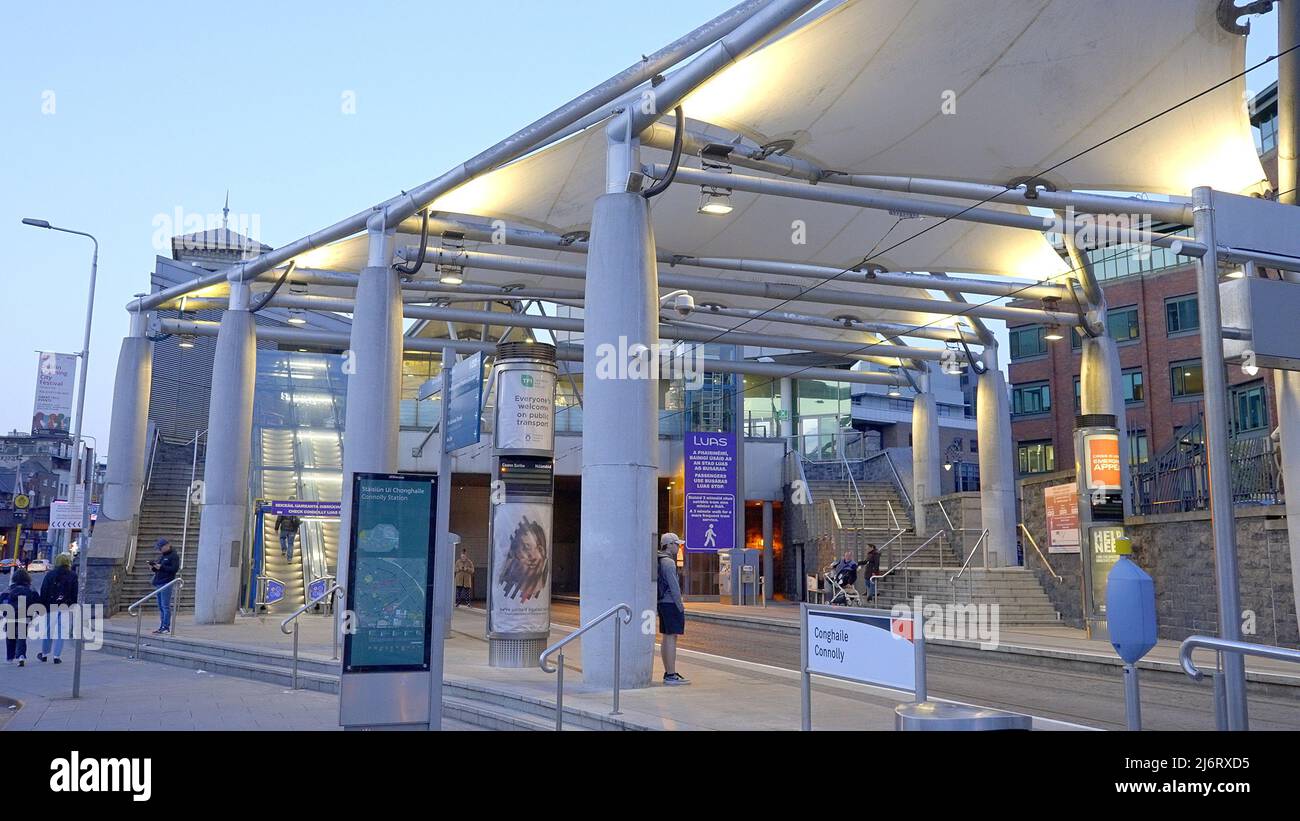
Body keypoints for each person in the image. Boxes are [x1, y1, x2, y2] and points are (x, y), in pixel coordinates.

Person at [656, 533, 689, 685]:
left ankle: (669, 672)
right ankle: (670, 674)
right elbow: (674, 587)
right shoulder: (668, 563)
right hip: (670, 603)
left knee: (666, 636)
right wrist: (680, 606)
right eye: (676, 544)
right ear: (669, 545)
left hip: (662, 603)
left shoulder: (659, 559)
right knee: (671, 637)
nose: (678, 547)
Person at [37, 553, 77, 663]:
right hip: (65, 606)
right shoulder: (73, 576)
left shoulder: (50, 575)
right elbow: (74, 594)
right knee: (61, 632)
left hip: (51, 606)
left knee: (49, 631)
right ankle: (56, 656)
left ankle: (44, 654)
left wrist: (42, 606)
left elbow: (44, 591)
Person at [1, 569, 40, 666]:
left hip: (11, 614)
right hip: (25, 615)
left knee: (10, 636)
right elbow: (36, 601)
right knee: (21, 636)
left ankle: (10, 657)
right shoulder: (31, 588)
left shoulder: (10, 588)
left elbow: (2, 599)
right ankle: (21, 656)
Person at [148, 538, 179, 635]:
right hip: (159, 581)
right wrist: (153, 568)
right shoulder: (163, 556)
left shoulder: (173, 556)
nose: (159, 550)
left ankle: (166, 626)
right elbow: (159, 569)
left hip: (166, 582)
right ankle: (162, 626)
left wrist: (161, 567)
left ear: (166, 546)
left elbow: (174, 569)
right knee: (161, 606)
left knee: (165, 605)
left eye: (160, 548)